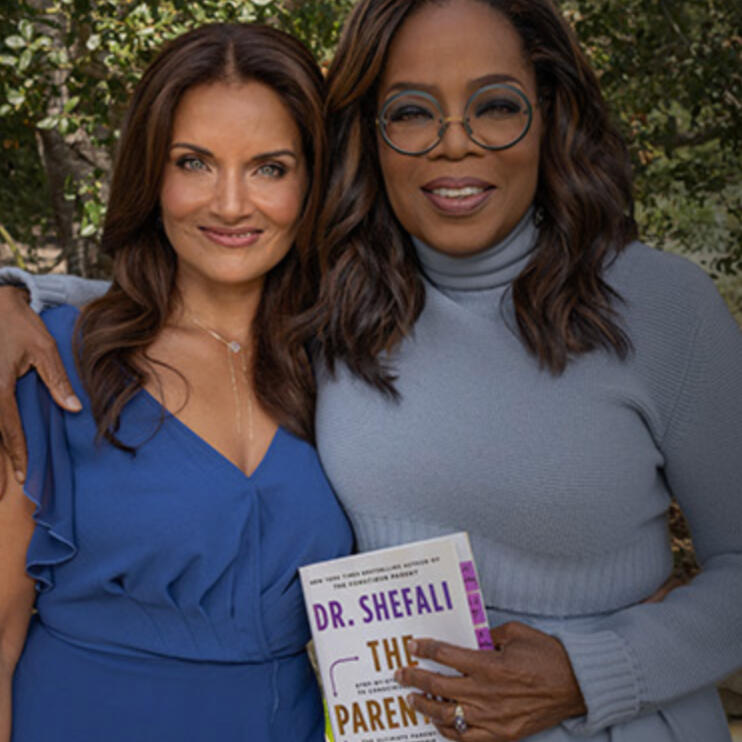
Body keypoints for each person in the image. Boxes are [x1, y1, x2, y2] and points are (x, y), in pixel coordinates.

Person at [1, 0, 741, 740]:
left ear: (549, 111)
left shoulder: (661, 308)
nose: (456, 143)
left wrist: (594, 671)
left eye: (496, 105)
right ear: (370, 136)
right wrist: (17, 295)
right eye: (412, 112)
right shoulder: (356, 310)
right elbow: (187, 304)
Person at [0, 23, 352, 742]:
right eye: (194, 163)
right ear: (150, 177)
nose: (230, 204)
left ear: (314, 182)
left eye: (270, 168)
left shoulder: (352, 367)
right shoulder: (51, 360)